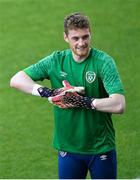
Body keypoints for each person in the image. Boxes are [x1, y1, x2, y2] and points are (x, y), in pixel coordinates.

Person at [10, 12, 126, 179]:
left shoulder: (103, 62)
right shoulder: (56, 61)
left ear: (90, 33)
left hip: (101, 148)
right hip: (68, 149)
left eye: (85, 37)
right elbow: (17, 79)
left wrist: (83, 102)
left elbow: (119, 104)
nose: (82, 43)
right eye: (75, 38)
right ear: (66, 37)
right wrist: (50, 93)